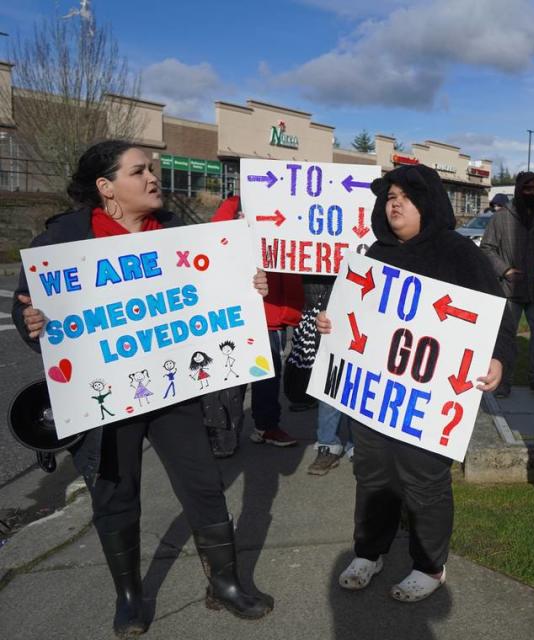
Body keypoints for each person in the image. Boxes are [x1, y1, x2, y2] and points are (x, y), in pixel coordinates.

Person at [12, 140, 274, 637]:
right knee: (116, 492)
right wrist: (30, 321)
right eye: (140, 171)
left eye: (151, 169)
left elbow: (219, 290)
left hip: (171, 390)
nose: (153, 178)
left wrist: (249, 287)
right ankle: (130, 597)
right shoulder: (60, 243)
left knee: (203, 484)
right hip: (102, 395)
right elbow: (26, 309)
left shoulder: (179, 235)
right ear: (106, 187)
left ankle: (226, 582)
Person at [316, 164, 510, 602]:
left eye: (405, 196)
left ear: (429, 203)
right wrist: (332, 323)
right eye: (389, 197)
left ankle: (428, 565)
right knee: (372, 474)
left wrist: (499, 358)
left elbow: (497, 315)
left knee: (424, 480)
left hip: (428, 399)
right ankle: (369, 551)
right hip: (373, 397)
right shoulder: (374, 256)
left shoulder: (460, 254)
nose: (395, 204)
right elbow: (350, 316)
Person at [211, 195, 302, 447]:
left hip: (274, 312)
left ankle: (266, 427)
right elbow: (215, 240)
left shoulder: (291, 208)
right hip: (244, 312)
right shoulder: (235, 204)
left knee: (269, 376)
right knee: (233, 378)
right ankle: (224, 435)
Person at [480, 172, 534, 398]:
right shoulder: (501, 218)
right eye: (528, 189)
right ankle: (503, 381)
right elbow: (486, 248)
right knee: (506, 337)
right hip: (510, 290)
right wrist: (505, 270)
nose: (532, 193)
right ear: (519, 190)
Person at [284, 274, 353, 476]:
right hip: (321, 311)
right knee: (329, 381)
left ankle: (358, 445)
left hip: (360, 306)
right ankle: (327, 444)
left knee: (356, 381)